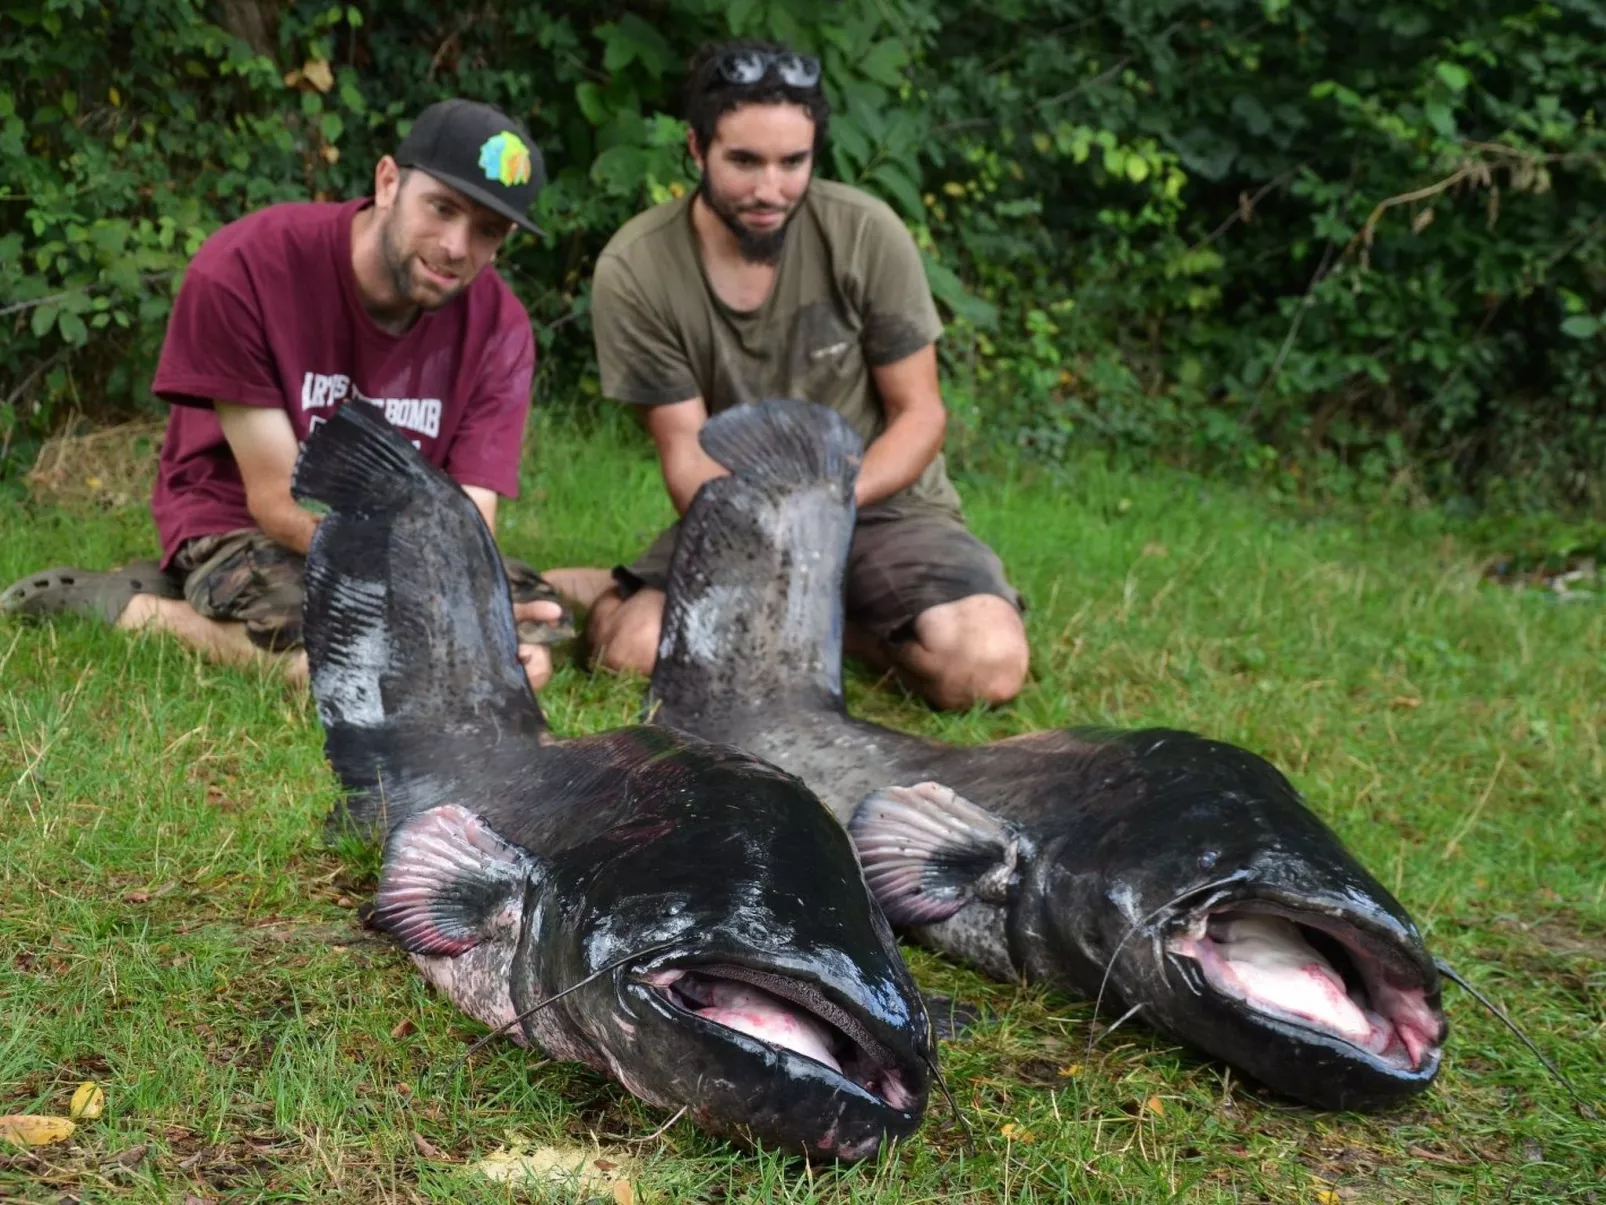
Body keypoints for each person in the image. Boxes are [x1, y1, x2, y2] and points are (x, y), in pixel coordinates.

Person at [1, 99, 569, 689]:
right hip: (240, 519)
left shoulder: (500, 327)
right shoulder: (247, 269)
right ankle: (146, 613)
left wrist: (471, 607)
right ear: (388, 183)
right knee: (367, 667)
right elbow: (278, 502)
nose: (456, 246)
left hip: (398, 547)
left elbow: (469, 518)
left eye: (486, 231)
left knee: (533, 626)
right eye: (442, 208)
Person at [577, 40, 1029, 710]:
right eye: (744, 161)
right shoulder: (637, 268)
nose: (770, 189)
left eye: (793, 162)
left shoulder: (866, 233)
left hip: (881, 502)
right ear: (696, 148)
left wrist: (830, 507)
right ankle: (606, 591)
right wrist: (777, 526)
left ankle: (835, 626)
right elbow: (686, 455)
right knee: (631, 654)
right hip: (739, 511)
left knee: (986, 666)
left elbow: (921, 414)